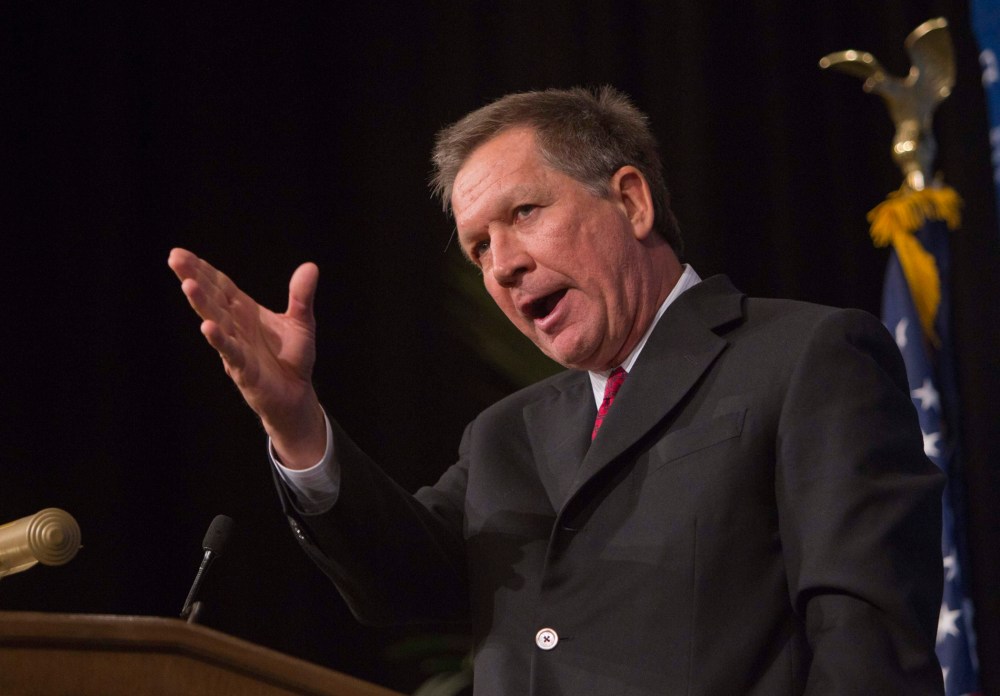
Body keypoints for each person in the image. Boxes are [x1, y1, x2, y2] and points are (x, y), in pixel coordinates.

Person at [169, 86, 945, 695]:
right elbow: (400, 584)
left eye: (524, 214)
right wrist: (297, 419)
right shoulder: (507, 434)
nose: (500, 264)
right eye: (479, 246)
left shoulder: (804, 356)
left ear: (632, 201)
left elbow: (867, 641)